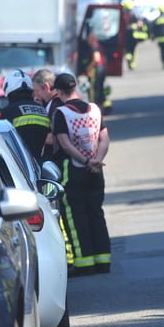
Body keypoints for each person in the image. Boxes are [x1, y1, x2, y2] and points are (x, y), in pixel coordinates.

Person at [52, 73, 111, 276]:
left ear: (58, 91)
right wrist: (96, 160)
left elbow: (64, 143)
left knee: (76, 215)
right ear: (75, 87)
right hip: (96, 170)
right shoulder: (95, 109)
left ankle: (85, 263)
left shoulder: (61, 113)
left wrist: (85, 161)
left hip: (73, 170)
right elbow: (104, 138)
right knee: (96, 212)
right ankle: (103, 260)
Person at [0, 68, 50, 161]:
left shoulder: (9, 112)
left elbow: (0, 142)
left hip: (16, 166)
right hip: (38, 165)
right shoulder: (42, 110)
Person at [32, 68, 64, 160]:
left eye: (37, 90)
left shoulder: (56, 105)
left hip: (56, 160)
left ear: (46, 87)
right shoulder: (50, 103)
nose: (36, 95)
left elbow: (54, 138)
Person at [85, 32, 111, 111]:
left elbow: (96, 58)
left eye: (88, 39)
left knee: (94, 89)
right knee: (100, 88)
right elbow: (104, 59)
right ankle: (102, 105)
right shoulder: (99, 46)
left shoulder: (94, 47)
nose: (87, 41)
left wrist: (88, 68)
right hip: (102, 68)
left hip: (96, 70)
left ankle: (94, 107)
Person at [121, 0, 149, 70]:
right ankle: (132, 64)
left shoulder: (121, 16)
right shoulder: (134, 15)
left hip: (125, 35)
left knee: (127, 49)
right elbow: (140, 24)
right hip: (134, 35)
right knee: (133, 49)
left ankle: (128, 57)